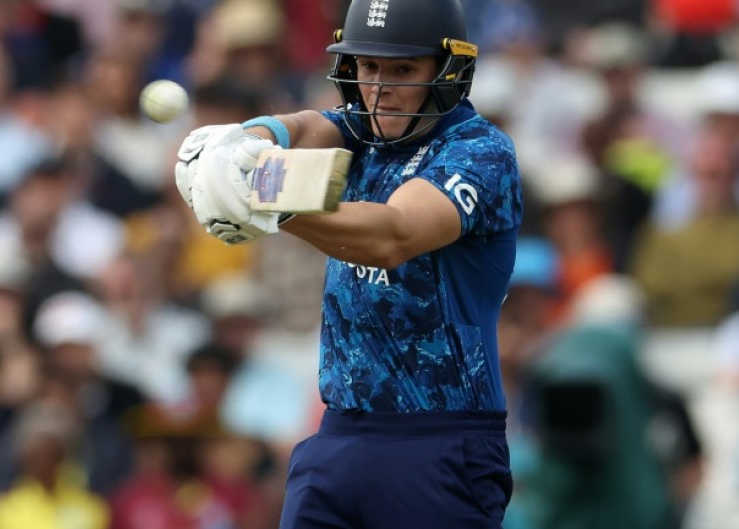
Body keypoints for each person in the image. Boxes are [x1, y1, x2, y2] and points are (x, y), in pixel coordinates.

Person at [173, 1, 522, 528]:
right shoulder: (361, 129)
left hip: (441, 442)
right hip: (336, 438)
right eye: (367, 66)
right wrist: (242, 143)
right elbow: (306, 127)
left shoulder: (480, 153)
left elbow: (393, 235)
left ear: (447, 71)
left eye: (402, 69)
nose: (379, 88)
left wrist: (261, 197)